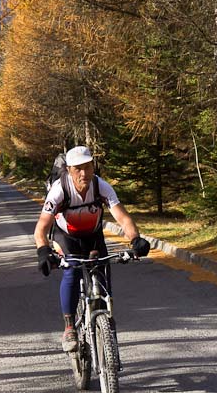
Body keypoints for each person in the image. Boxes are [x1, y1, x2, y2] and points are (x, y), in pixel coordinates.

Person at [34, 145, 150, 352]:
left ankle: (106, 327)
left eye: (87, 167)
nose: (83, 173)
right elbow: (41, 227)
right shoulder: (59, 190)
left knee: (103, 275)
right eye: (78, 168)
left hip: (93, 235)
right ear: (69, 170)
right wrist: (43, 251)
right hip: (66, 236)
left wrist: (135, 240)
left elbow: (123, 218)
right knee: (71, 272)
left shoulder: (101, 186)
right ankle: (69, 327)